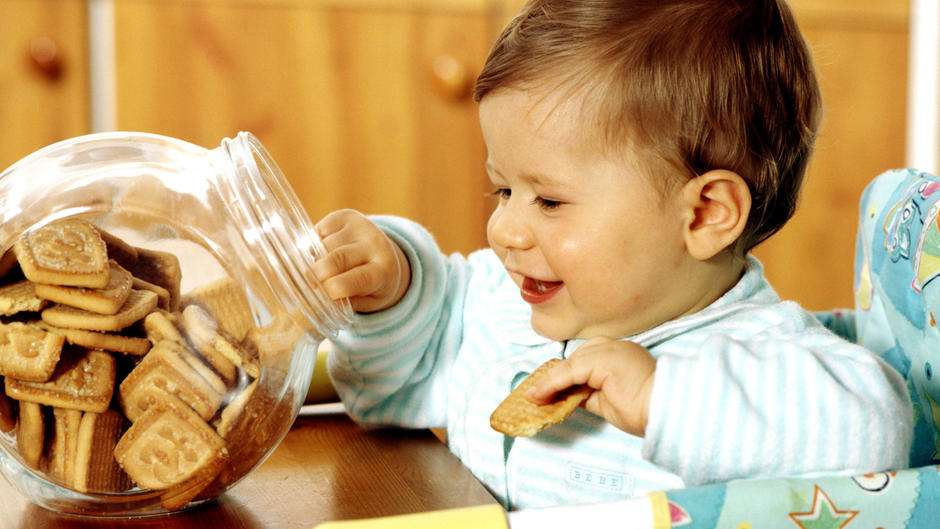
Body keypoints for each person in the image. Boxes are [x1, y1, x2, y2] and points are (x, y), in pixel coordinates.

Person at [311, 0, 912, 510]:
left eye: (548, 201)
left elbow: (875, 433)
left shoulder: (767, 363)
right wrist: (395, 289)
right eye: (504, 189)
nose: (504, 230)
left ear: (703, 215)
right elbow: (383, 393)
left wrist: (663, 400)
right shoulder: (500, 307)